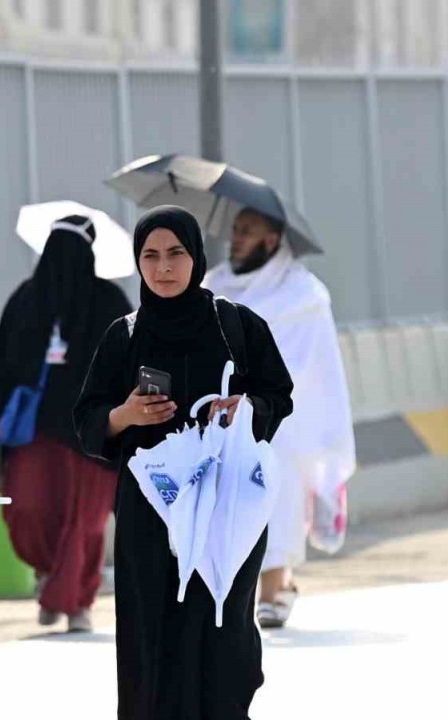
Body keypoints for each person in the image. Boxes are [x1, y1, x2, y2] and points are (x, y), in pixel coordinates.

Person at [73, 206, 293, 720]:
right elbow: (87, 420)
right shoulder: (124, 335)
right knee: (153, 633)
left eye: (176, 253)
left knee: (224, 631)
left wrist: (247, 408)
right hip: (152, 512)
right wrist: (124, 415)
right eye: (150, 255)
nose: (163, 267)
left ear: (196, 257)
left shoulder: (236, 326)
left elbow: (279, 395)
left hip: (227, 506)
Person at [0, 216, 131, 633]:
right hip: (34, 430)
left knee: (86, 521)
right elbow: (1, 360)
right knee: (26, 508)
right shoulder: (26, 299)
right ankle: (50, 575)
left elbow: (128, 363)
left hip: (92, 431)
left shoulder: (110, 302)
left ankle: (77, 603)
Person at [204, 207, 356, 629]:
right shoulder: (214, 285)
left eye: (247, 232)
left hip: (281, 420)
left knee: (279, 495)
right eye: (235, 231)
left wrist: (261, 392)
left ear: (272, 241)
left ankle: (274, 586)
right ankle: (243, 590)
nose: (236, 239)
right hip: (223, 417)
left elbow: (313, 366)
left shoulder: (303, 294)